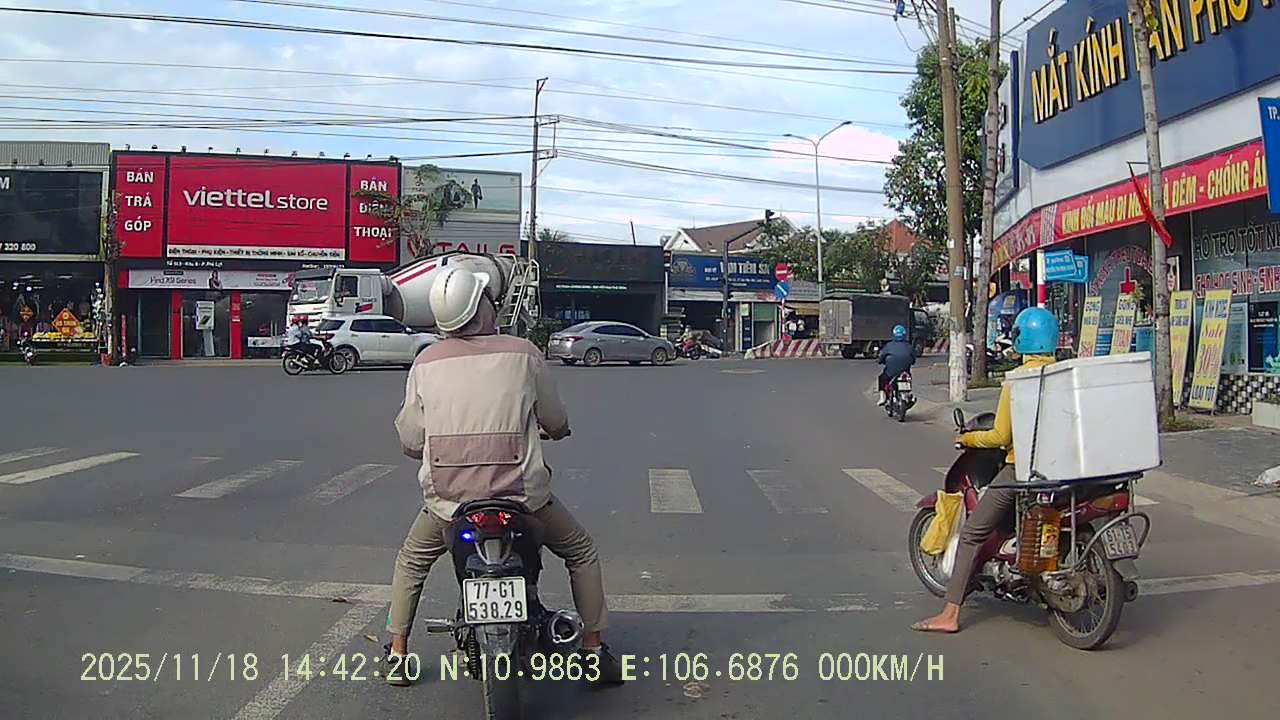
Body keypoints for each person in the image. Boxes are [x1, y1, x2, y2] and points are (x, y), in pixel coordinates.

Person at [387, 266, 624, 686]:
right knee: (581, 551)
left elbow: (410, 437)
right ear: (482, 306)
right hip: (523, 500)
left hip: (448, 504)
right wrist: (557, 430)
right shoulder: (524, 353)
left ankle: (398, 654)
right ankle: (592, 651)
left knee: (412, 561)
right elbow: (554, 418)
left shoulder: (425, 362)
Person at [912, 307, 1060, 634]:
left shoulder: (1017, 381)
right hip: (1064, 468)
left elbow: (1001, 437)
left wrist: (967, 438)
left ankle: (950, 614)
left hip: (1023, 469)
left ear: (1022, 339)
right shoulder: (1064, 374)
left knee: (971, 534)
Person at [876, 324, 915, 406]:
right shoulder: (909, 346)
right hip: (905, 372)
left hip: (890, 373)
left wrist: (880, 361)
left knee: (881, 378)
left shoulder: (889, 346)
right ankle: (909, 394)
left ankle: (882, 398)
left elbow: (881, 357)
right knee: (908, 379)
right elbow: (913, 360)